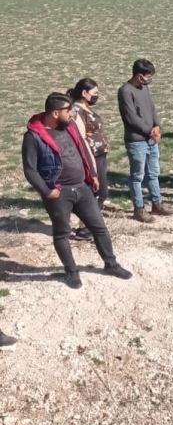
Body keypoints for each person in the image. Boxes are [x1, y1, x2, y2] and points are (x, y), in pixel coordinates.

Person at [23, 93, 133, 288]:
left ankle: (111, 264)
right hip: (58, 193)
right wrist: (47, 191)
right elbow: (30, 170)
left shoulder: (70, 126)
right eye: (68, 110)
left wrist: (93, 175)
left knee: (99, 227)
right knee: (61, 233)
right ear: (55, 113)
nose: (72, 114)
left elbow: (82, 148)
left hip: (82, 187)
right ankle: (71, 271)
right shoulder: (34, 136)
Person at [118, 59, 173, 223]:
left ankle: (157, 203)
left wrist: (157, 125)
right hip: (137, 141)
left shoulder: (144, 88)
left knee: (153, 173)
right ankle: (139, 208)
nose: (149, 79)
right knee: (137, 176)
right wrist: (149, 131)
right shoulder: (125, 91)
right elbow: (131, 118)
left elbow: (152, 108)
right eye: (148, 76)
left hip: (151, 138)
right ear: (139, 75)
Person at [68, 78, 109, 241]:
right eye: (95, 93)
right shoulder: (77, 112)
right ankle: (85, 228)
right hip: (91, 156)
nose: (97, 96)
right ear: (84, 93)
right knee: (98, 192)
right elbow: (81, 139)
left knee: (99, 192)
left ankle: (88, 226)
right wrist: (90, 164)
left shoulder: (86, 108)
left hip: (100, 155)